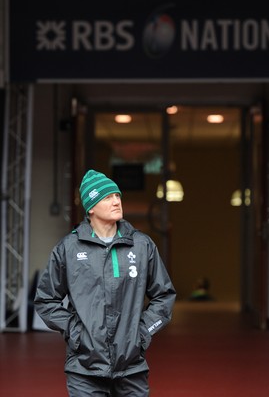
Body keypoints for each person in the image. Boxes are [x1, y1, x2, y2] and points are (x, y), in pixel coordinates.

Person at [34, 169, 176, 397]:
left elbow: (164, 296)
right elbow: (45, 300)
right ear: (90, 207)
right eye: (107, 197)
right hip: (84, 369)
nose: (116, 201)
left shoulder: (141, 246)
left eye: (117, 196)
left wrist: (141, 334)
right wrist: (75, 332)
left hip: (132, 368)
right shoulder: (69, 249)